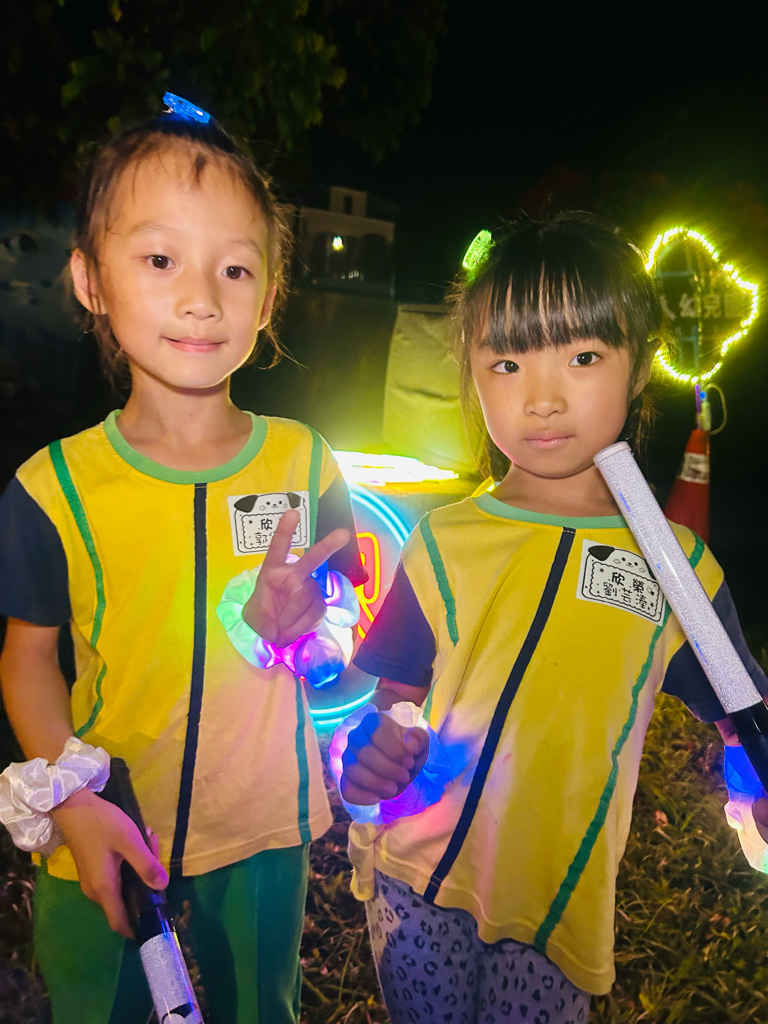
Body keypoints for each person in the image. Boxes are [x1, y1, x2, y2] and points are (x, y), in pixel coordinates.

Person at [332, 214, 768, 1024]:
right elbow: (393, 699)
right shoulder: (444, 541)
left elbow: (743, 718)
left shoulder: (675, 568)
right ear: (471, 373)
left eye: (583, 357)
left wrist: (757, 784)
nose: (542, 398)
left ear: (639, 367)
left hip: (555, 917)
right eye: (506, 362)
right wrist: (370, 753)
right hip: (413, 882)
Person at [0, 95, 365, 1024]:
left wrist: (304, 627)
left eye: (235, 268)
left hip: (265, 829)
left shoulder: (307, 462)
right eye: (160, 260)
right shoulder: (52, 488)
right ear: (90, 279)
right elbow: (29, 658)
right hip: (109, 819)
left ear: (269, 296)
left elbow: (339, 624)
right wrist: (70, 800)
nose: (202, 297)